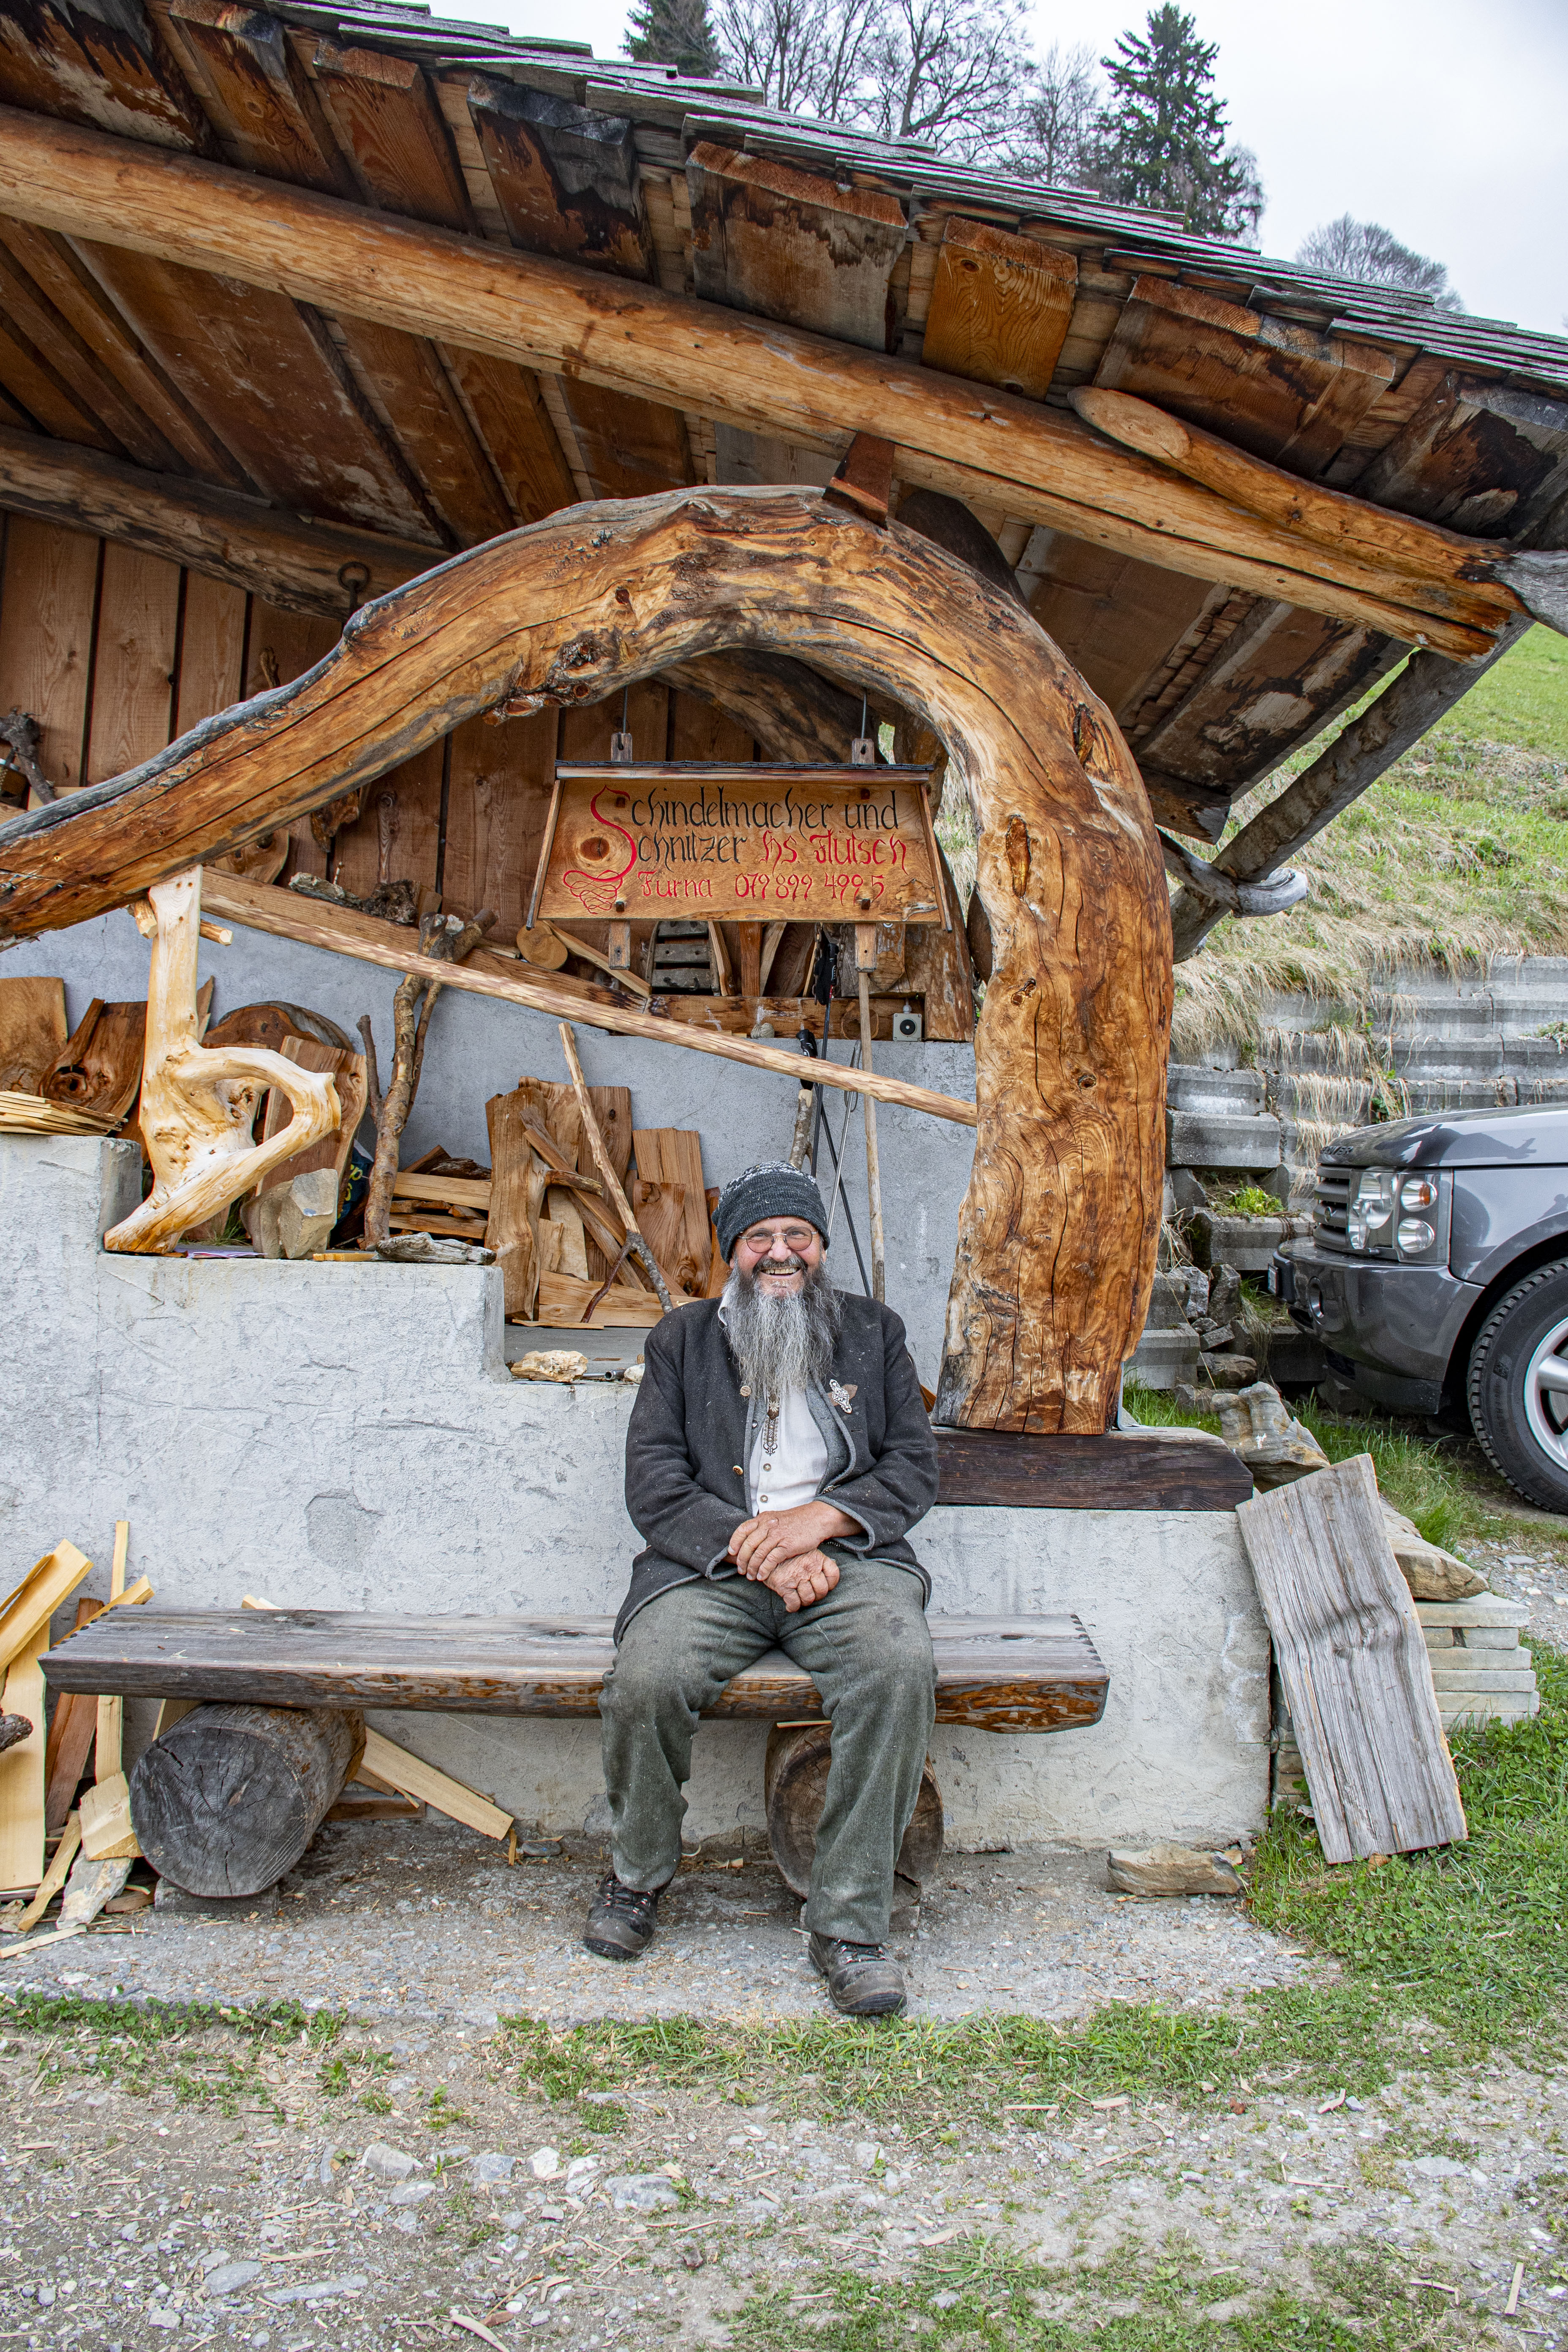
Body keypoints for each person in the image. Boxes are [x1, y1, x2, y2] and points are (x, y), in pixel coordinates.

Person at [584, 1160, 939, 2014]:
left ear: (820, 1247)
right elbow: (655, 1483)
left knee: (897, 1670)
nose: (780, 1254)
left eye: (797, 1236)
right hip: (711, 1566)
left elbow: (912, 1468)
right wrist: (768, 1553)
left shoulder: (875, 1331)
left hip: (845, 1562)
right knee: (646, 1679)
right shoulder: (680, 1340)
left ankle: (849, 1926)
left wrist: (821, 1522)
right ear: (731, 1254)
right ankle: (636, 1877)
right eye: (759, 1239)